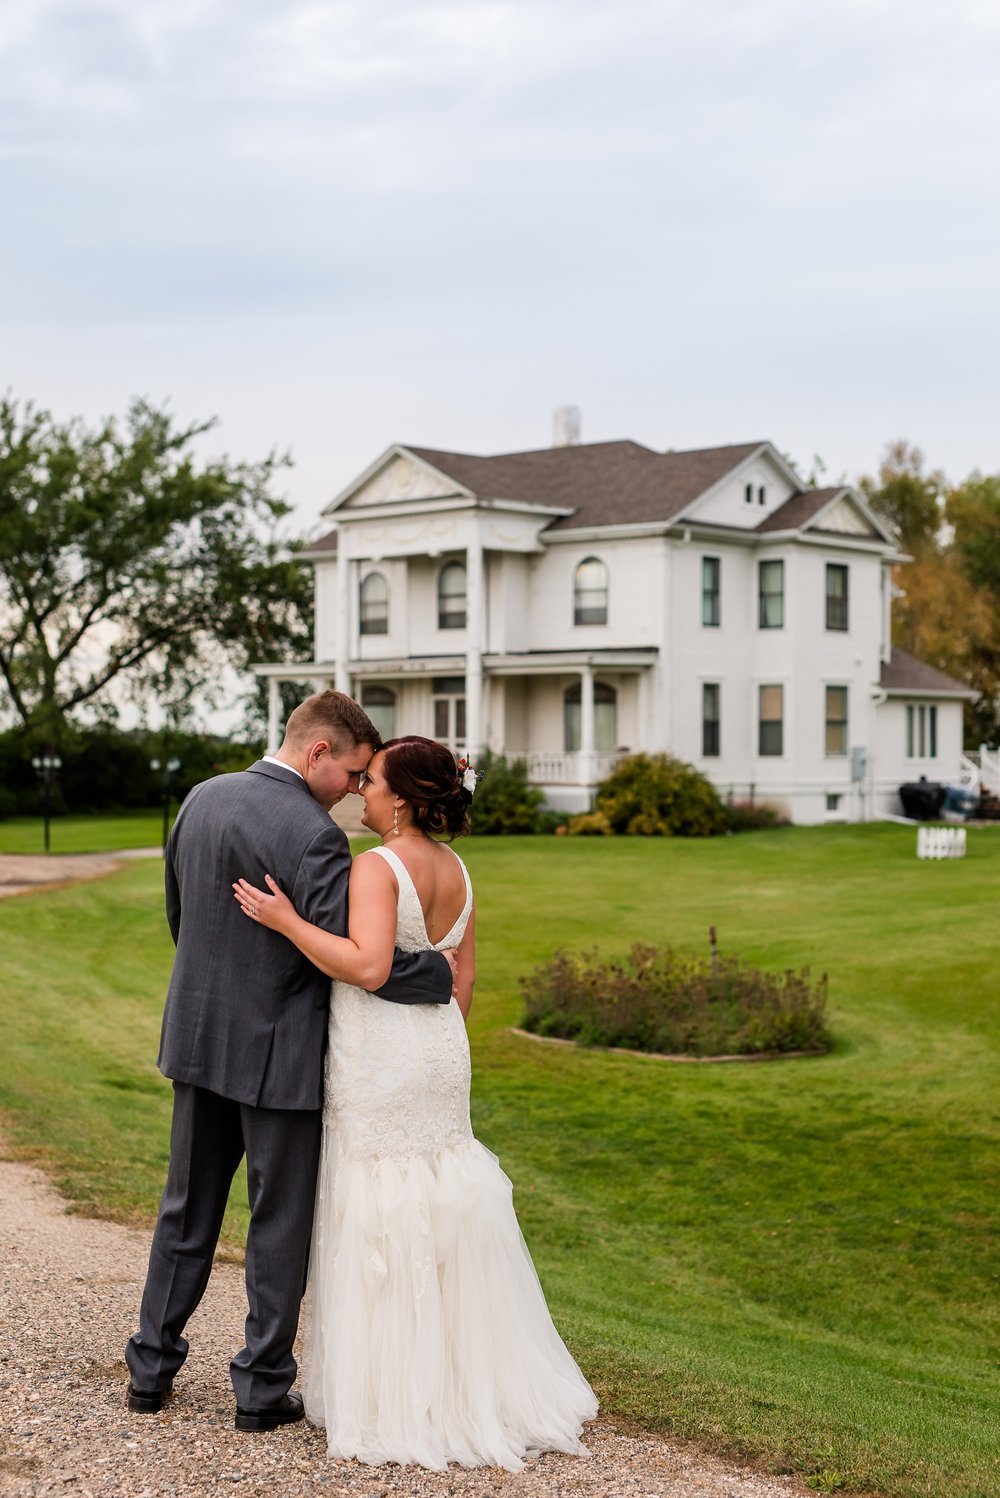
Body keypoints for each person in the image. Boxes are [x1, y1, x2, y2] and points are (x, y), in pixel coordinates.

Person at [232, 735, 598, 1472]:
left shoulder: (377, 866)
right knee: (441, 1195)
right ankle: (465, 1381)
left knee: (379, 1205)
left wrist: (287, 922)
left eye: (370, 783)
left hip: (380, 1054)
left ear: (400, 797)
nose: (359, 792)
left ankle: (397, 1397)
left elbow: (368, 966)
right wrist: (434, 1044)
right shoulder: (458, 869)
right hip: (438, 1053)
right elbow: (461, 984)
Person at [125, 693, 454, 1433]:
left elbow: (181, 916)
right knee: (277, 1222)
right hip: (278, 1055)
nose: (353, 790)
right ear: (317, 753)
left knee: (186, 1210)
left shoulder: (200, 798)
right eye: (352, 772)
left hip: (200, 1038)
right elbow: (350, 958)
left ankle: (149, 1370)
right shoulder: (314, 836)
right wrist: (435, 976)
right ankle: (261, 1390)